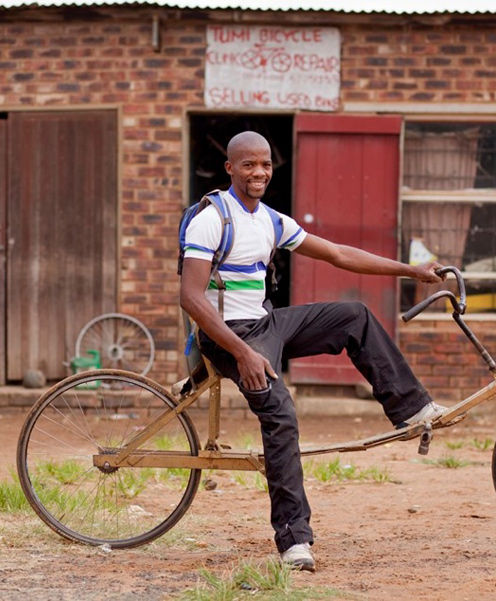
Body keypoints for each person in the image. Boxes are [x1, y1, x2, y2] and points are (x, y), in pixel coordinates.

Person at [179, 131, 449, 572]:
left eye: (265, 164)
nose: (259, 172)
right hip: (226, 335)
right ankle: (293, 540)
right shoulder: (212, 219)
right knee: (281, 413)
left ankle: (412, 409)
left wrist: (412, 272)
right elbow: (191, 298)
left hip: (264, 324)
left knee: (353, 316)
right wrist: (243, 355)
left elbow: (339, 253)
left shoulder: (270, 220)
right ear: (230, 168)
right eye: (248, 165)